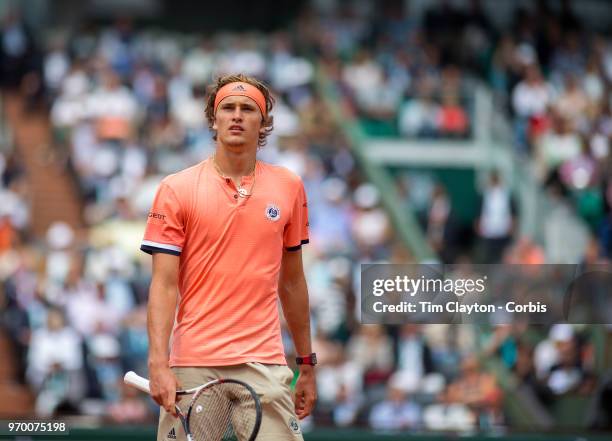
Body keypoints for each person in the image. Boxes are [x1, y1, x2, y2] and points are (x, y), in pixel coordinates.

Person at [141, 73, 317, 440]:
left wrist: (306, 364)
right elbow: (163, 283)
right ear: (214, 119)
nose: (237, 115)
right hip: (193, 364)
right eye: (228, 108)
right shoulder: (175, 189)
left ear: (264, 121)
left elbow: (293, 281)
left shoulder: (289, 186)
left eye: (248, 108)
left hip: (265, 362)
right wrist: (158, 361)